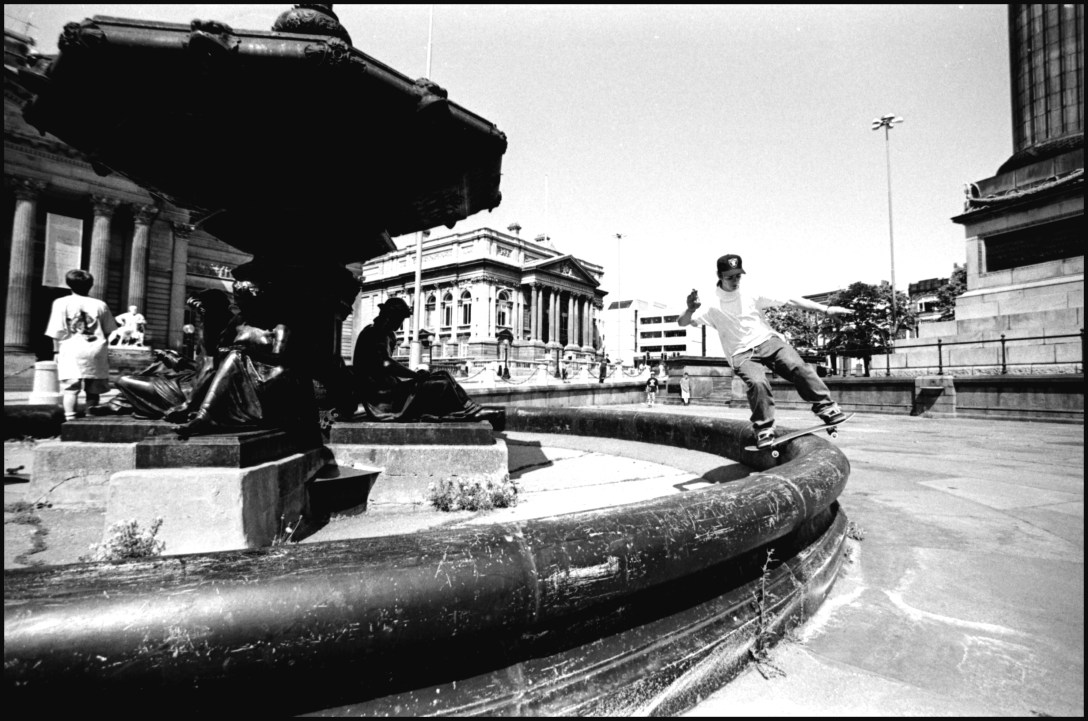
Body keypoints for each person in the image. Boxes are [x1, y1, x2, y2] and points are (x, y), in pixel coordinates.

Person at [678, 253, 853, 449]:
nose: (735, 281)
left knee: (798, 366)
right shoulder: (709, 303)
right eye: (730, 277)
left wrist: (826, 310)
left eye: (738, 276)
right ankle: (764, 428)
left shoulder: (751, 292)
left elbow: (790, 300)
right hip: (741, 353)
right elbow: (682, 322)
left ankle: (826, 407)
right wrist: (690, 309)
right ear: (719, 276)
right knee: (757, 383)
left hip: (768, 341)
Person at [351, 297, 502, 427]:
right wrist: (415, 375)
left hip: (393, 391)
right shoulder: (375, 333)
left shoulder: (384, 333)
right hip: (384, 399)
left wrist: (415, 375)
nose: (401, 324)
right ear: (391, 316)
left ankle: (470, 408)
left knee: (443, 374)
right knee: (442, 384)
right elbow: (386, 364)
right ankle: (464, 413)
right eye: (400, 319)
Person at [44, 269, 118, 421]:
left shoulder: (61, 303)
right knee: (93, 390)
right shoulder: (100, 304)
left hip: (71, 350)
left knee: (71, 389)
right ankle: (91, 417)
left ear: (69, 284)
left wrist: (56, 352)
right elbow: (109, 330)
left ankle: (70, 419)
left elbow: (57, 330)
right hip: (95, 350)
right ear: (91, 285)